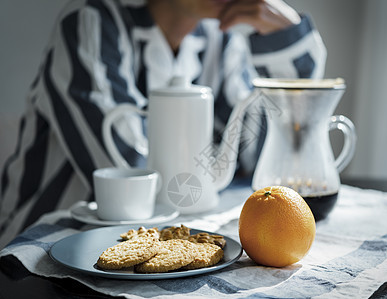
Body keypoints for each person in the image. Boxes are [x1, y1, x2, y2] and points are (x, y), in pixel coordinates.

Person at [0, 0, 326, 248]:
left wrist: (289, 44)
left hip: (152, 247)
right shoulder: (92, 23)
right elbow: (137, 180)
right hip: (43, 248)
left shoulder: (223, 44)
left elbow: (265, 156)